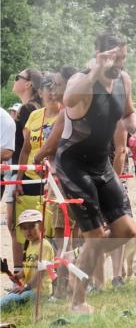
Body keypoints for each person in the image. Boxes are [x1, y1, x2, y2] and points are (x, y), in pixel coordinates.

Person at [55, 33, 136, 313]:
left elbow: (128, 112)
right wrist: (95, 69)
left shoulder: (123, 80)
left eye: (123, 58)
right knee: (95, 238)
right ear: (98, 54)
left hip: (101, 165)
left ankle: (76, 262)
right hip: (73, 165)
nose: (120, 63)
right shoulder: (81, 79)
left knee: (126, 230)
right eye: (114, 58)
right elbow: (69, 99)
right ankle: (77, 302)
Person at [15, 73, 65, 239]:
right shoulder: (34, 115)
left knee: (53, 227)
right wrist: (19, 179)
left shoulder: (65, 115)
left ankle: (56, 263)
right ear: (41, 92)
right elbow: (26, 149)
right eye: (47, 89)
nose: (51, 93)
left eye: (54, 89)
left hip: (56, 178)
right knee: (27, 227)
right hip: (31, 177)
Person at [5, 68, 42, 274]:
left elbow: (28, 146)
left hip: (24, 172)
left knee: (20, 225)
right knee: (17, 224)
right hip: (21, 171)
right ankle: (22, 273)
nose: (15, 79)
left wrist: (19, 178)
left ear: (28, 84)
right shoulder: (30, 107)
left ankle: (22, 274)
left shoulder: (29, 109)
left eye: (18, 77)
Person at [0, 209, 54, 310]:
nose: (28, 231)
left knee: (7, 301)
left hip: (40, 291)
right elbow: (27, 269)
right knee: (10, 296)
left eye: (32, 226)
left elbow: (41, 272)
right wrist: (18, 276)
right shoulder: (29, 245)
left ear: (42, 227)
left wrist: (25, 287)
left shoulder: (44, 246)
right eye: (24, 228)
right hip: (29, 288)